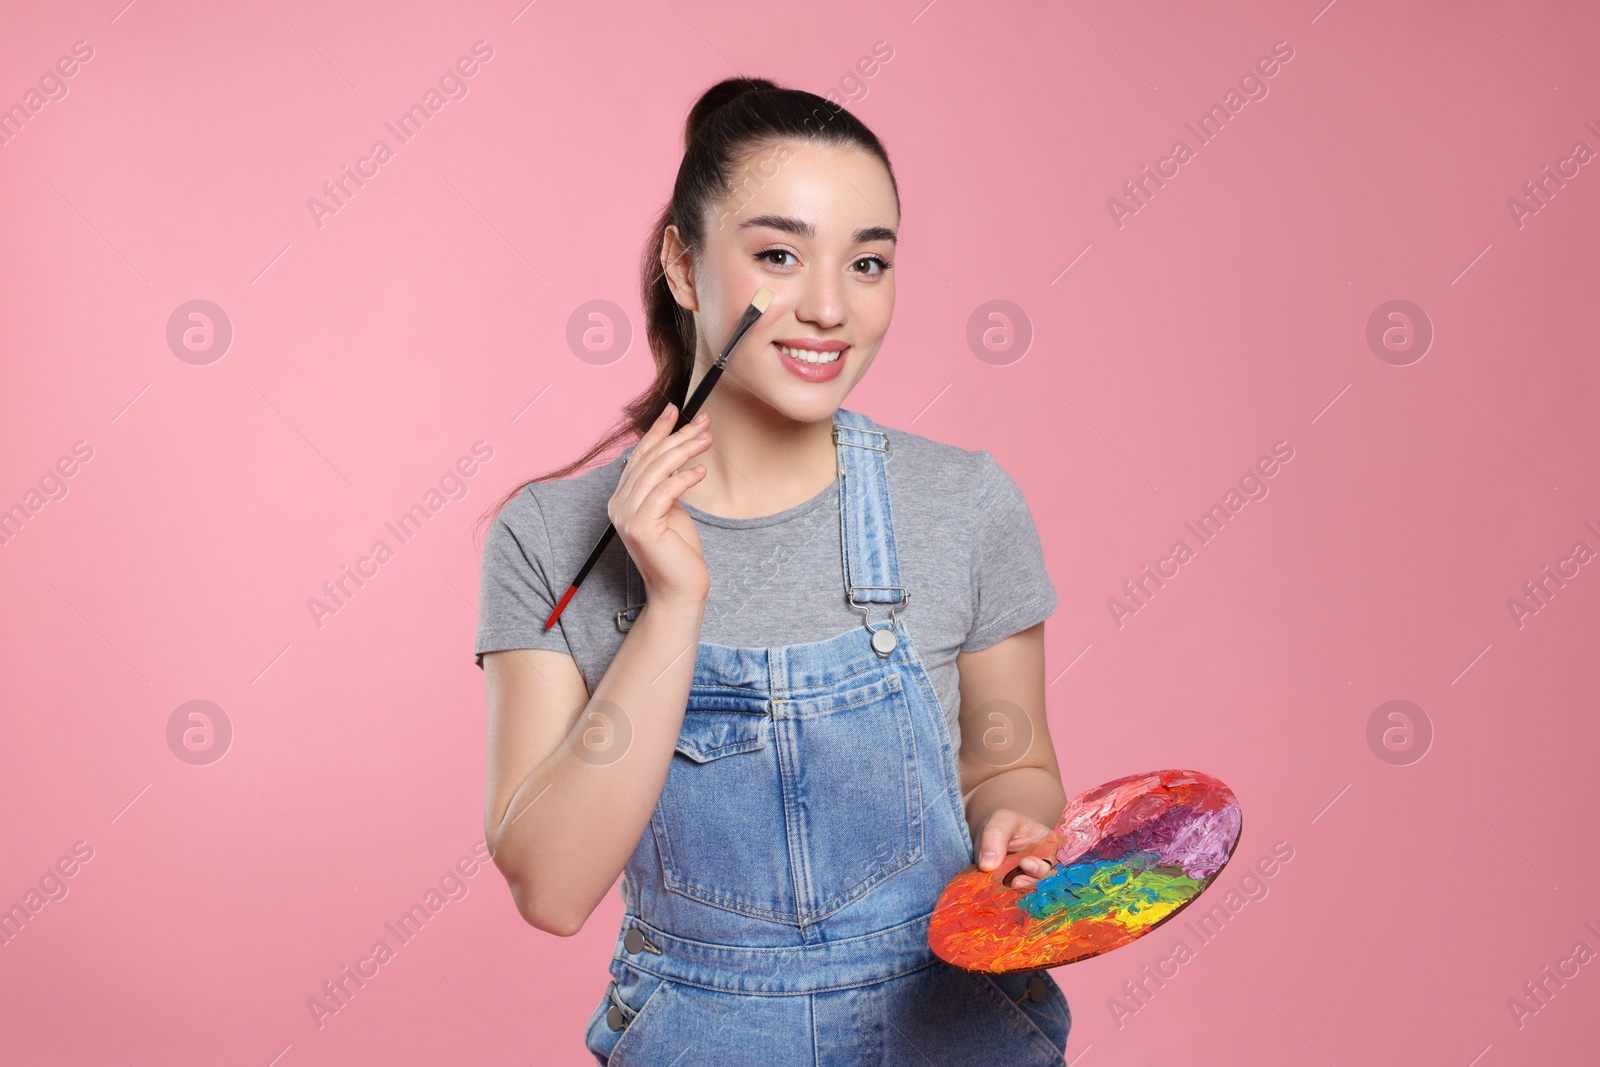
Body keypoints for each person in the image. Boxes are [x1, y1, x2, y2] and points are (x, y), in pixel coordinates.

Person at [474, 76, 1072, 1066]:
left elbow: (1009, 760)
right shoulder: (550, 538)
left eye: (868, 261)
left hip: (960, 1030)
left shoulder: (964, 504)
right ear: (682, 260)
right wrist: (671, 603)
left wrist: (1017, 823)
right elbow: (552, 886)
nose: (830, 307)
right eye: (779, 255)